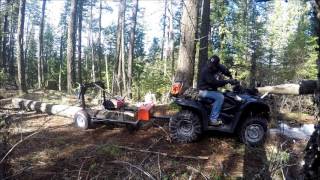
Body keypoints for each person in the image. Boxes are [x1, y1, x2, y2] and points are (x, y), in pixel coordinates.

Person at [198, 55, 237, 126]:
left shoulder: (218, 66)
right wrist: (227, 81)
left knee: (226, 94)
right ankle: (213, 119)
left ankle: (220, 114)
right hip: (203, 91)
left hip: (210, 90)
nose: (211, 66)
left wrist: (230, 76)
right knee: (220, 97)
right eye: (210, 64)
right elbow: (215, 83)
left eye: (213, 65)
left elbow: (224, 70)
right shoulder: (206, 71)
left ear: (216, 64)